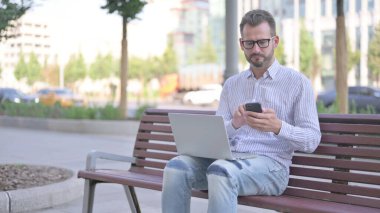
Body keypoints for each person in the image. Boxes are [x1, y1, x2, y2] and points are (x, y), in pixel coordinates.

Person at [161, 9, 321, 213]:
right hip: (230, 160)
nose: (256, 49)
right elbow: (216, 136)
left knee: (221, 172)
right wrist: (234, 124)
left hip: (272, 167)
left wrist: (278, 127)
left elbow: (312, 139)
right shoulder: (232, 85)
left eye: (262, 42)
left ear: (275, 41)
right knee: (176, 168)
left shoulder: (298, 83)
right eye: (249, 43)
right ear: (241, 44)